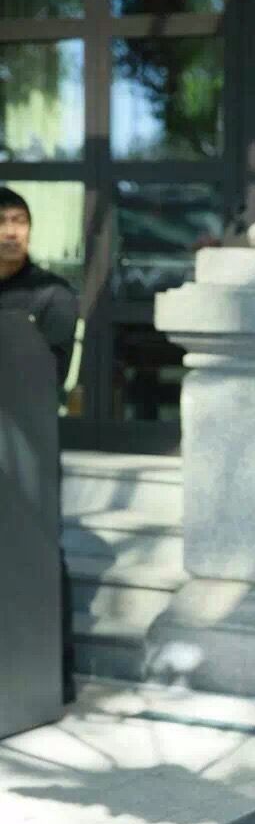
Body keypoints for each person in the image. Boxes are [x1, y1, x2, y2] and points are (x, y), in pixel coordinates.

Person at [0, 186, 80, 704]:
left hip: (26, 447)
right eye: (2, 221)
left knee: (39, 553)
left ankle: (57, 675)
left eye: (20, 221)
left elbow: (44, 378)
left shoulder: (52, 295)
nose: (11, 232)